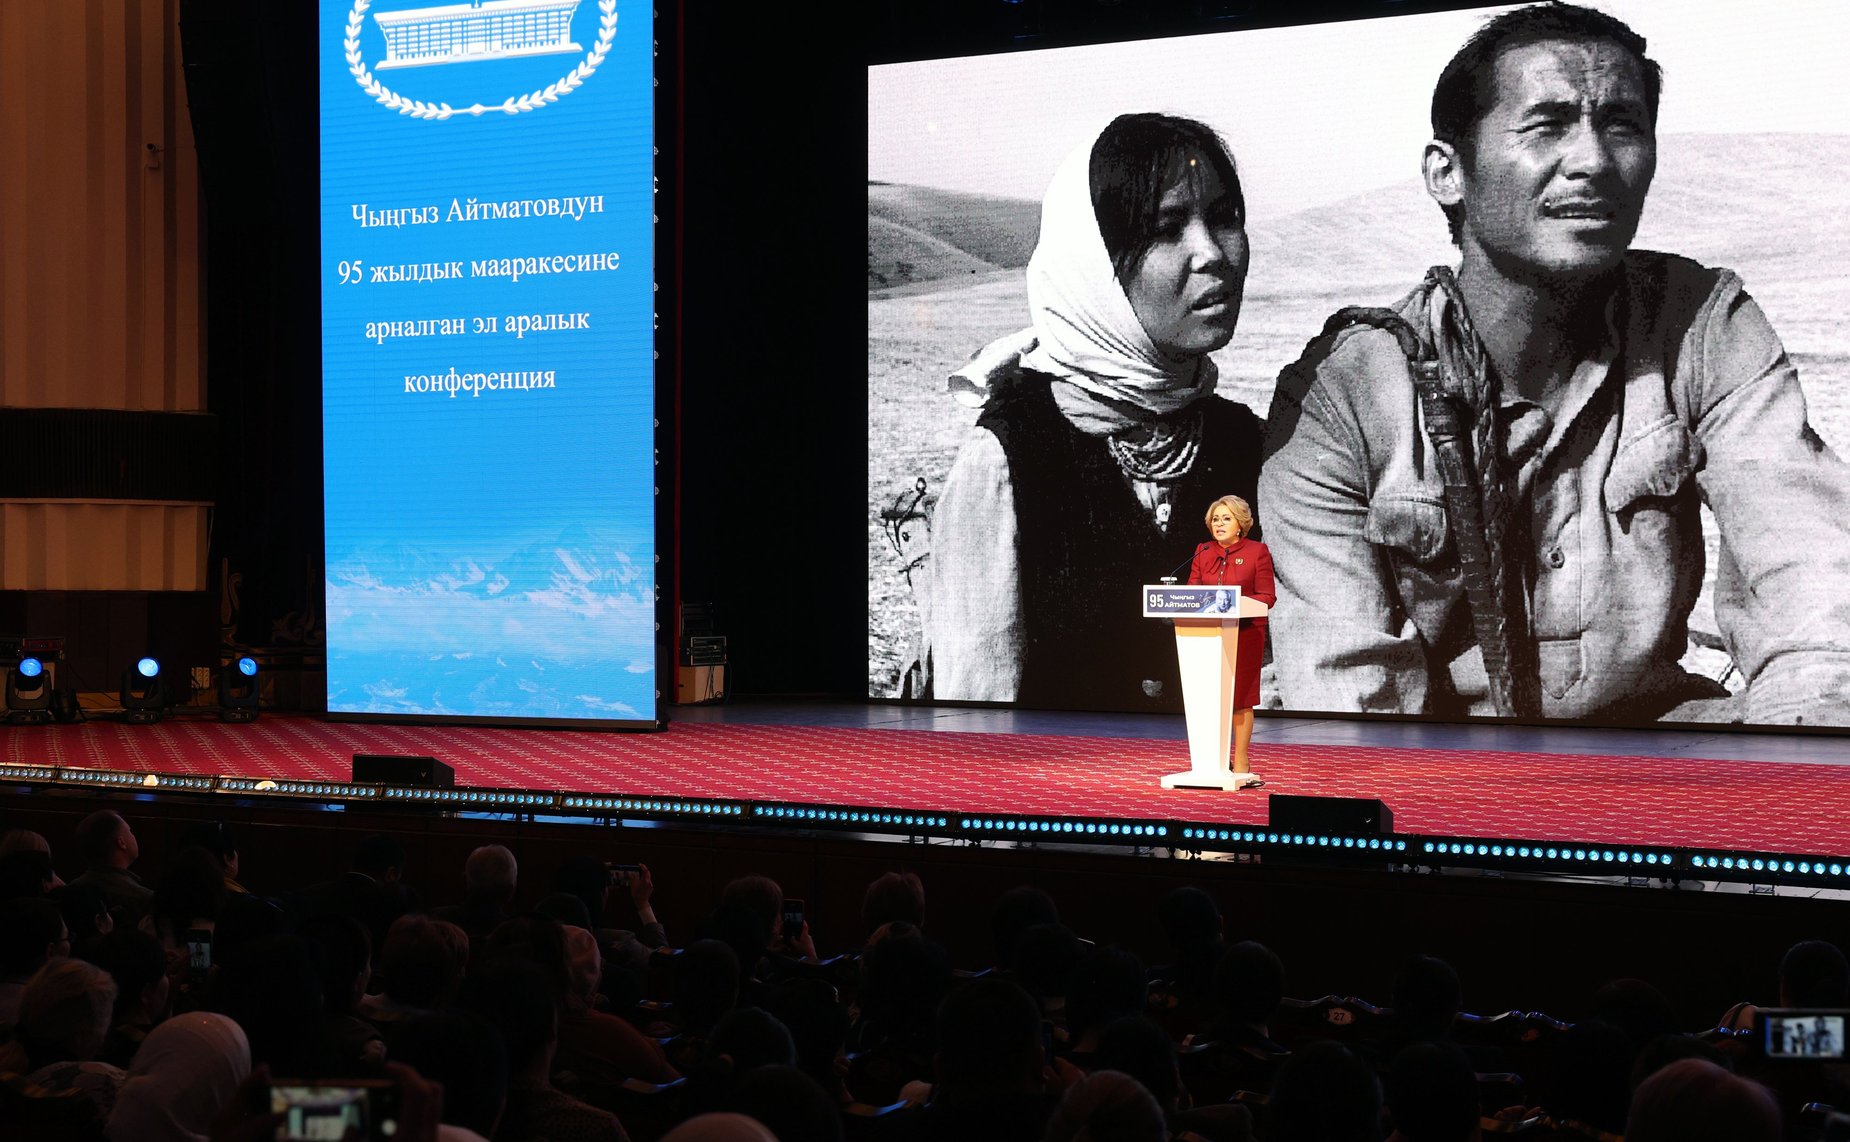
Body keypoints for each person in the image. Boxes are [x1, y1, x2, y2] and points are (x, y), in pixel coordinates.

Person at [1259, 1, 1850, 724]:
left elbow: (1815, 600)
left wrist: (1794, 773)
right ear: (1448, 173)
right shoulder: (1343, 392)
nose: (1596, 160)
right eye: (1548, 125)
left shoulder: (1702, 324)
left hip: (1661, 758)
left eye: (1623, 125)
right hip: (1447, 790)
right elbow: (1352, 704)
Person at [927, 112, 1262, 710]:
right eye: (1166, 228)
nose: (1212, 252)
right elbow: (974, 721)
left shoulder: (1250, 444)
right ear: (1094, 265)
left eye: (1223, 217)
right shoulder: (1011, 459)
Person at [1187, 494, 1274, 783]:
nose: (1219, 524)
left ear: (1240, 524)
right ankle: (1213, 758)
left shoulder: (1257, 551)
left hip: (1246, 633)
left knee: (1240, 698)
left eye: (1226, 518)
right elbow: (1192, 593)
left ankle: (1241, 758)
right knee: (1209, 699)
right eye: (1215, 519)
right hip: (1206, 636)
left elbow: (1267, 596)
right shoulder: (1202, 551)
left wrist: (1236, 602)